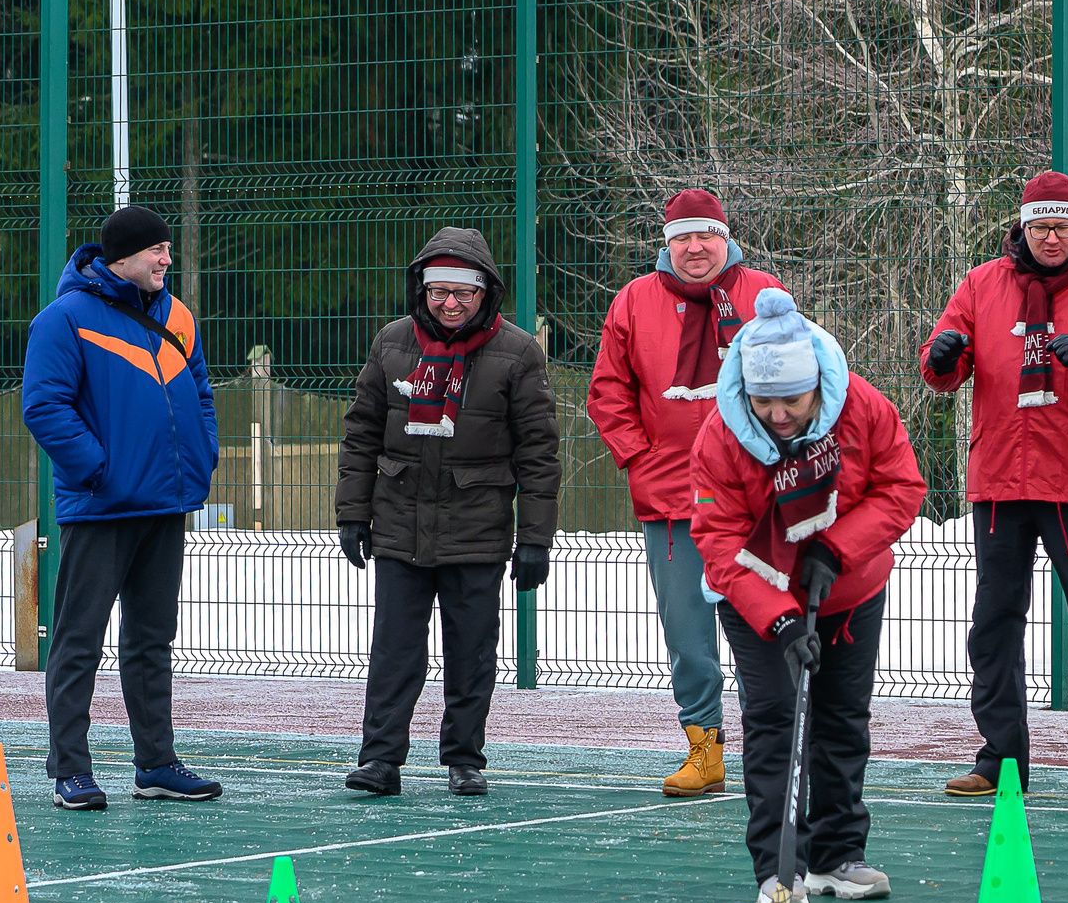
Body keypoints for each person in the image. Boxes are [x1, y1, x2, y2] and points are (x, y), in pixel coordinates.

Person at [689, 289, 927, 903]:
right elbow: (718, 539)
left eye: (790, 400)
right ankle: (778, 868)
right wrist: (779, 617)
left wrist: (837, 548)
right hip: (755, 595)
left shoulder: (862, 407)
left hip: (850, 587)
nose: (777, 414)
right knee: (776, 720)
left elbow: (901, 486)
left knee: (842, 719)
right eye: (763, 401)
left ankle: (836, 856)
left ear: (816, 384)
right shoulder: (722, 432)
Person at [921, 170, 1068, 802]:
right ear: (1022, 228)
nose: (1051, 237)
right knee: (994, 622)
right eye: (1040, 226)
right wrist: (942, 356)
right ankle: (1000, 757)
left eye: (1062, 226)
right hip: (1000, 478)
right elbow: (944, 361)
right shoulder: (981, 283)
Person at [333, 227, 561, 798]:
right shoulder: (391, 344)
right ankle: (381, 760)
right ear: (422, 290)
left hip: (478, 528)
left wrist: (536, 538)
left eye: (463, 292)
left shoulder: (518, 353)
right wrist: (353, 514)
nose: (450, 303)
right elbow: (361, 436)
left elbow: (539, 452)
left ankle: (464, 758)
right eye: (439, 291)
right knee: (393, 650)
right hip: (398, 526)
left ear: (486, 292)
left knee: (472, 651)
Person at [21, 204, 224, 811]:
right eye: (156, 250)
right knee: (78, 639)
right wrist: (100, 472)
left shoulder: (178, 317)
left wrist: (203, 457)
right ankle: (70, 770)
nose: (168, 259)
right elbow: (45, 407)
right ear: (122, 258)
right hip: (101, 508)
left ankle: (156, 764)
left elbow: (203, 395)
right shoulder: (64, 320)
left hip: (166, 504)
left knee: (151, 639)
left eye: (167, 249)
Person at [586, 189, 784, 797]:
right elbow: (608, 393)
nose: (694, 248)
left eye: (705, 236)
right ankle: (704, 748)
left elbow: (800, 379)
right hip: (670, 500)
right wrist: (640, 460)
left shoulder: (763, 295)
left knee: (761, 625)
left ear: (727, 238)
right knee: (687, 634)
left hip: (756, 499)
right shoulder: (633, 302)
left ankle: (773, 747)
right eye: (682, 238)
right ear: (666, 244)